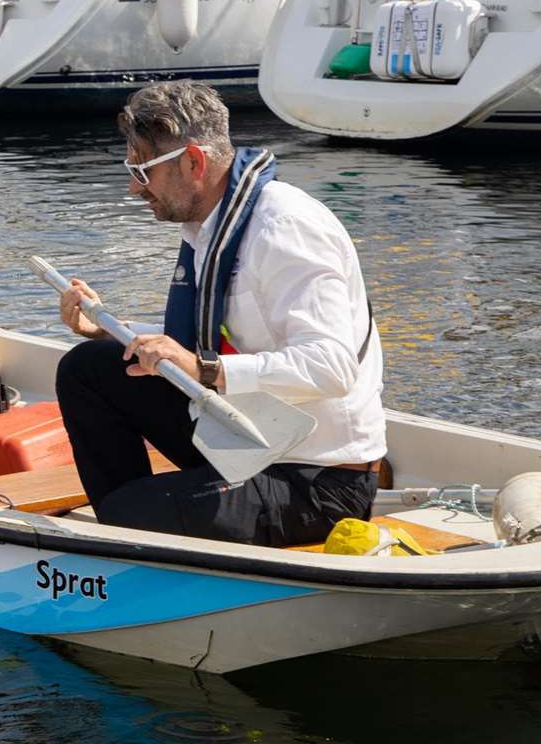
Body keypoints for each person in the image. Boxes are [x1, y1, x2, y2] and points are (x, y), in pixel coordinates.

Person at [52, 81, 386, 547]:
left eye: (142, 170)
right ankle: (137, 529)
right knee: (88, 368)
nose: (132, 187)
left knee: (131, 510)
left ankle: (137, 524)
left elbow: (331, 368)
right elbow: (208, 335)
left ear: (194, 161)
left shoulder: (285, 229)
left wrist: (204, 369)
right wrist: (106, 327)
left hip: (317, 481)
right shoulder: (211, 224)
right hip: (248, 437)